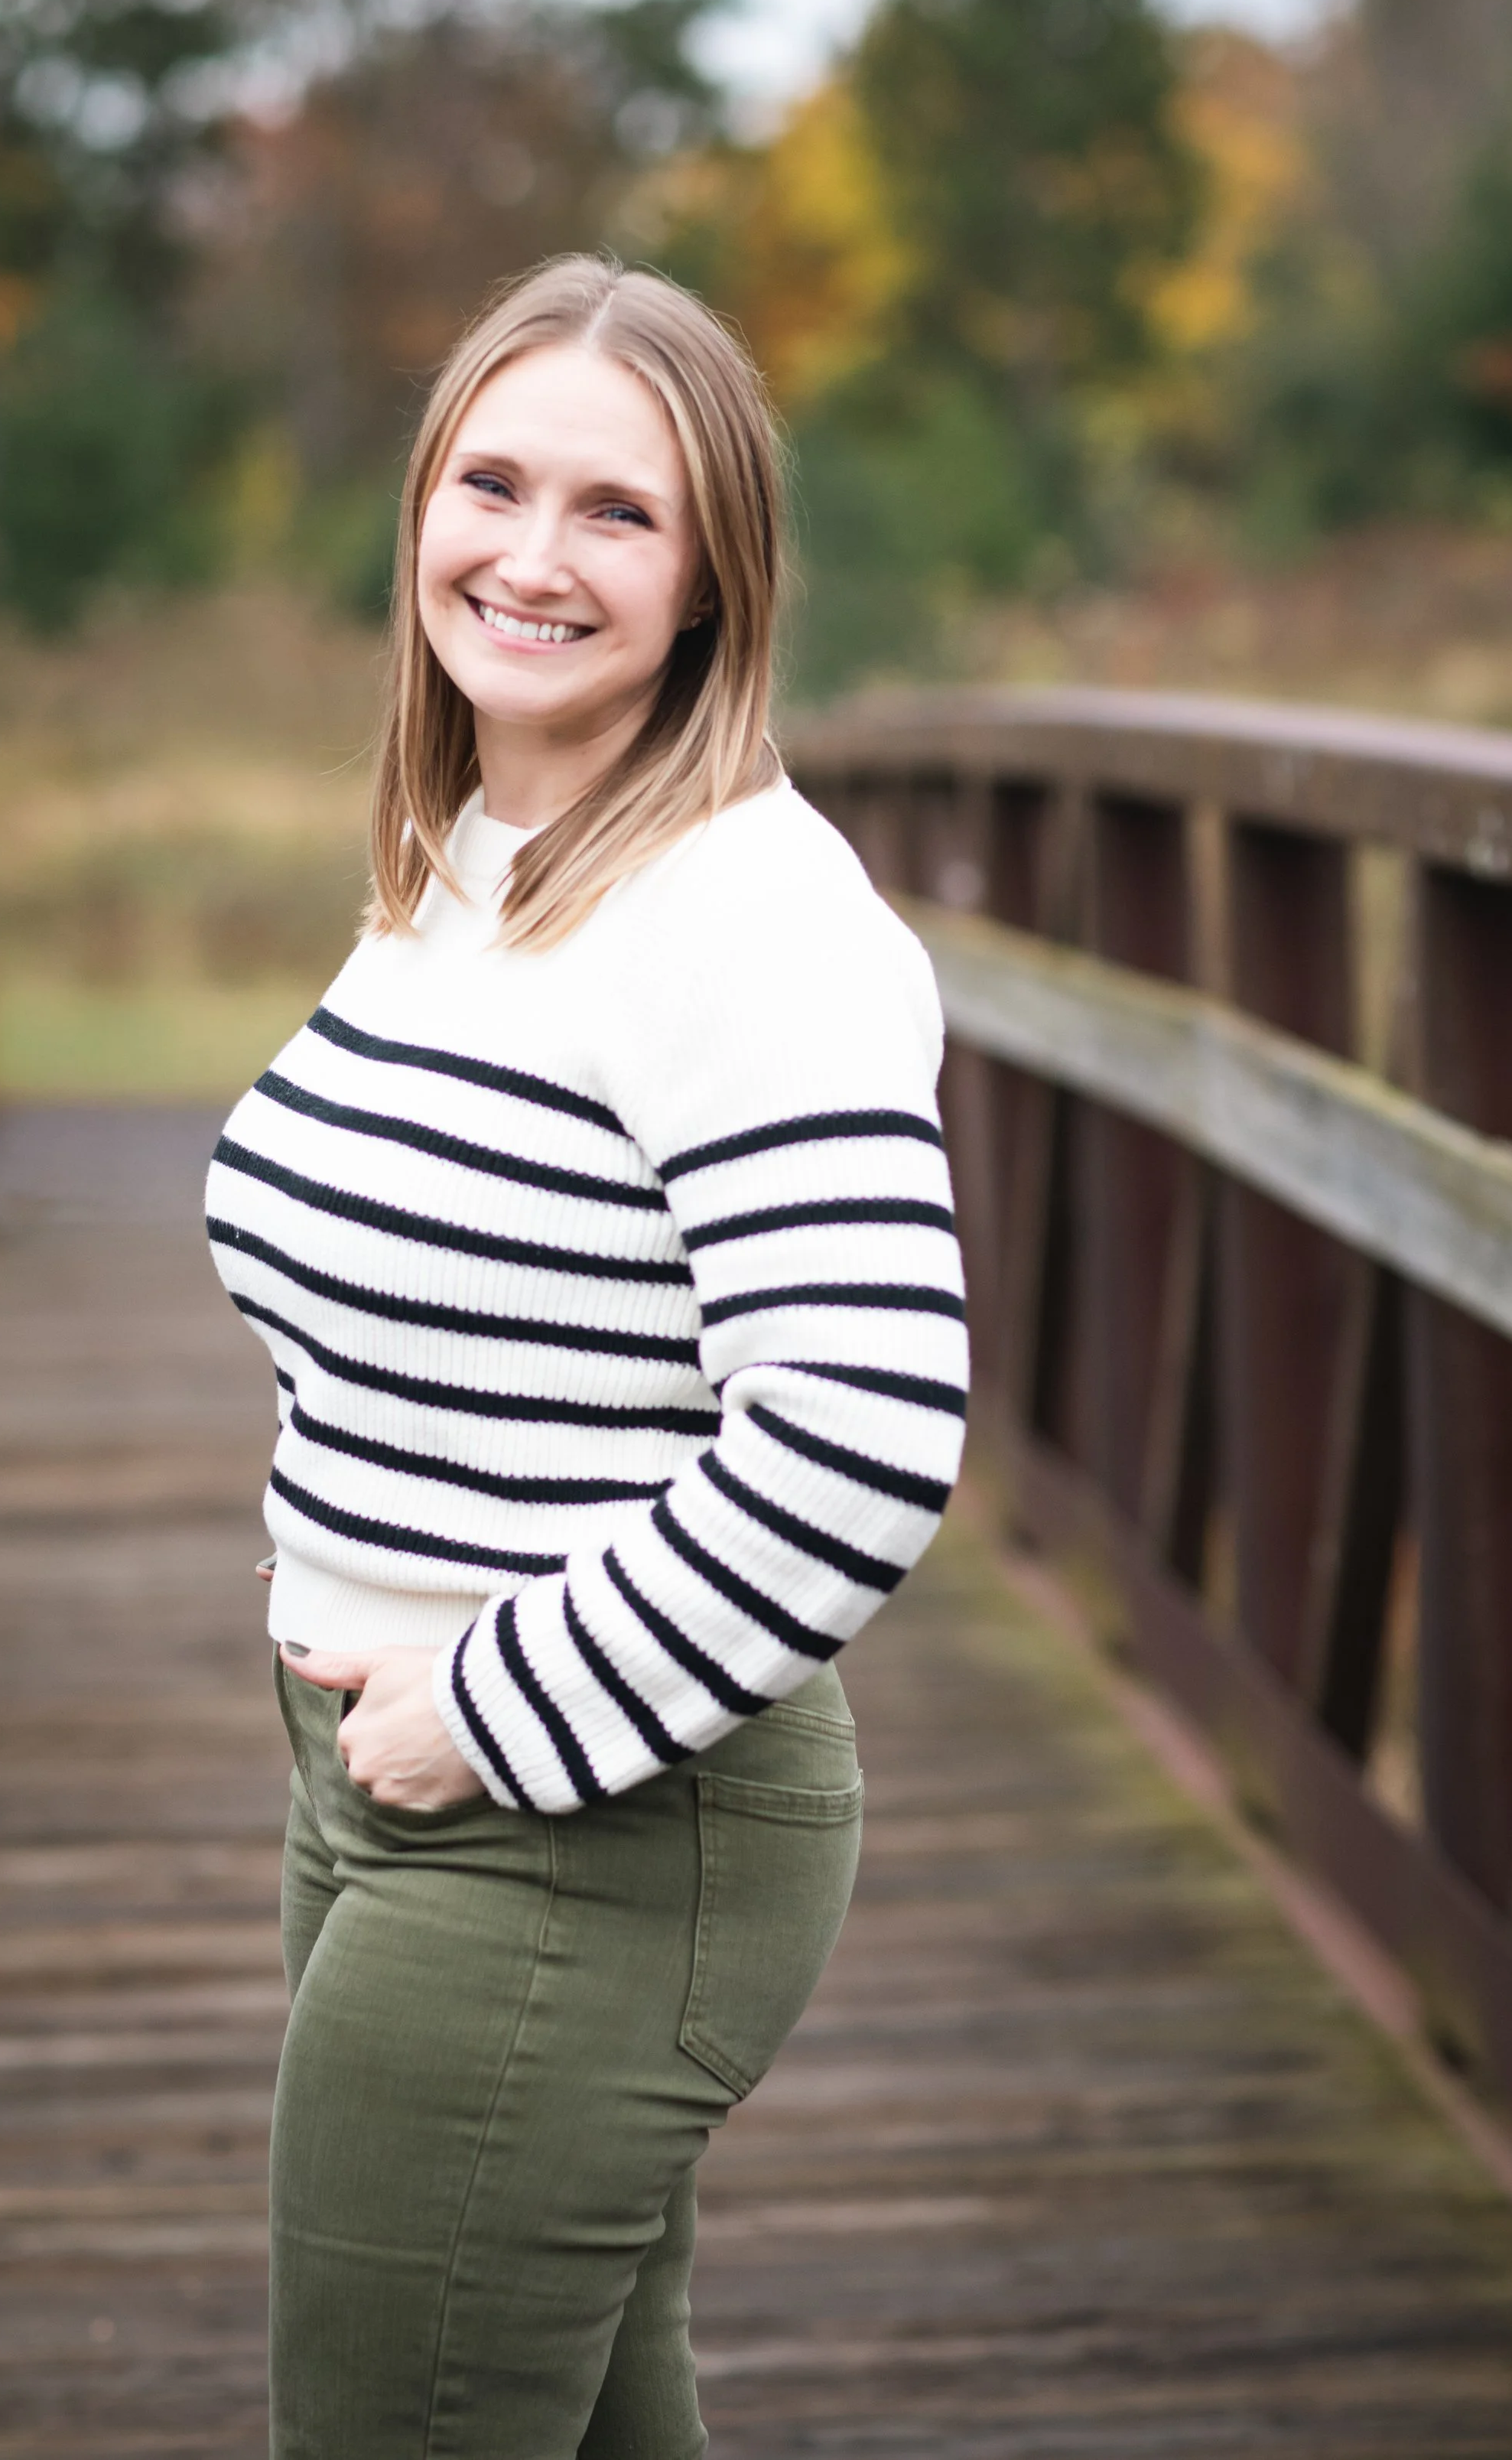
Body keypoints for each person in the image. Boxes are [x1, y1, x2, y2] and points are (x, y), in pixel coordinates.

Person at [204, 253, 968, 2457]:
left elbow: (857, 1434)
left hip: (587, 1814)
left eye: (615, 513)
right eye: (492, 481)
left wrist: (496, 1706)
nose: (530, 558)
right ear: (422, 503)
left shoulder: (751, 921)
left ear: (715, 573)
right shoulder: (471, 863)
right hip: (384, 1782)